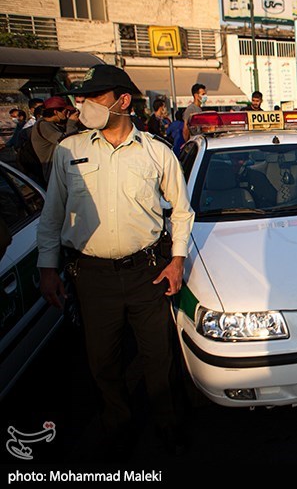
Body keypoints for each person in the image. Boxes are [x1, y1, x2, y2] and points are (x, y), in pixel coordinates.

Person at [37, 64, 195, 457]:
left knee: (158, 356)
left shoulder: (156, 152)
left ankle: (168, 426)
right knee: (102, 361)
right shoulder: (69, 150)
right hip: (91, 276)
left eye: (94, 97)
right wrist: (46, 267)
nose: (84, 105)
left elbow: (181, 211)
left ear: (122, 101)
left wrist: (176, 261)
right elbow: (53, 214)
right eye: (83, 97)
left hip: (147, 273)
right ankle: (118, 426)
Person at [31, 96, 81, 184]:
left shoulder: (52, 124)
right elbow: (66, 142)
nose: (67, 114)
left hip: (59, 170)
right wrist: (71, 123)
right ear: (56, 112)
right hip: (53, 174)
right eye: (65, 111)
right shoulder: (43, 125)